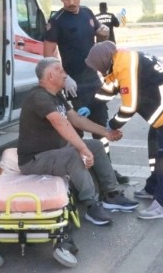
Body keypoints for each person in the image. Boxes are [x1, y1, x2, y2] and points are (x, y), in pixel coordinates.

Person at [18, 57, 138, 226]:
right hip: (34, 160)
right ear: (50, 76)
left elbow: (75, 119)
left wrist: (106, 132)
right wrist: (82, 148)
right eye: (60, 70)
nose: (65, 74)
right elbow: (61, 123)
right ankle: (91, 204)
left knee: (95, 146)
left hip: (55, 152)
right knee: (75, 154)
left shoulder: (56, 95)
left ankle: (110, 194)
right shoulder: (38, 97)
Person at [85, 41, 163, 220]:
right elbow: (108, 89)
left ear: (104, 61)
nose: (97, 71)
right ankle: (153, 187)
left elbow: (129, 107)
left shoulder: (125, 66)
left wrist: (112, 126)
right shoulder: (119, 61)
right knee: (154, 148)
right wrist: (90, 106)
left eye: (97, 67)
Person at [43, 0, 129, 184]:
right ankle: (84, 173)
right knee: (79, 130)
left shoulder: (88, 13)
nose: (71, 2)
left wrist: (103, 31)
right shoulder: (56, 21)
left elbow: (100, 31)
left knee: (102, 127)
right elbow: (47, 56)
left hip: (94, 79)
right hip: (74, 84)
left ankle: (105, 169)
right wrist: (64, 78)